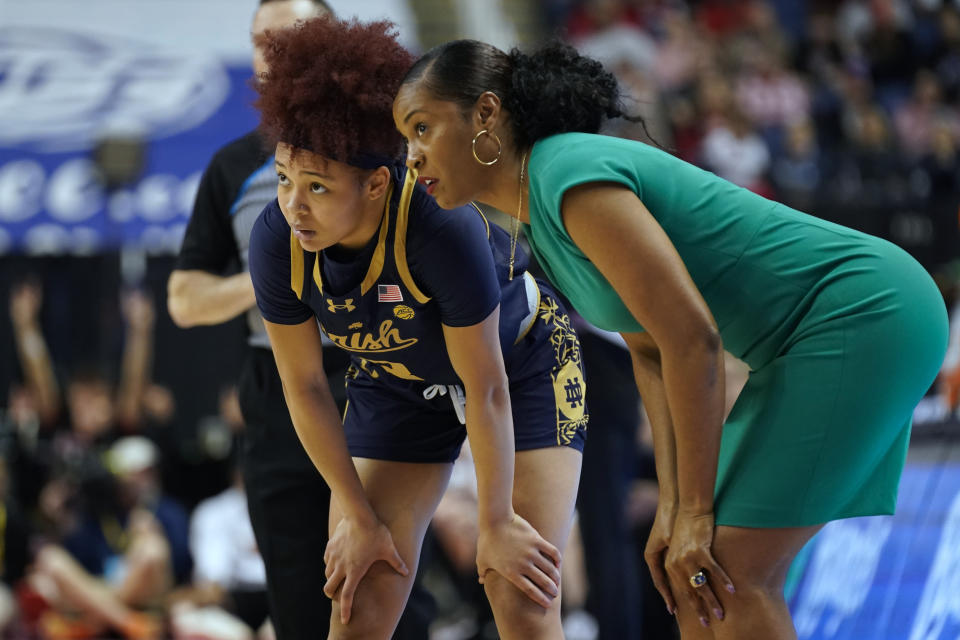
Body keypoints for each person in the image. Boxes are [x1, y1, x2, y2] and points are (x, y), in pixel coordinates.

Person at [392, 39, 949, 639]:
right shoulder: (539, 219)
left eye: (422, 128)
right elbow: (650, 353)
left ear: (485, 114)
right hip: (806, 339)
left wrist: (696, 510)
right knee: (695, 578)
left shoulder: (567, 173)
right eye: (405, 138)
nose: (412, 156)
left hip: (865, 311)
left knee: (728, 571)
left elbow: (691, 340)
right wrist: (673, 503)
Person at [248, 16, 587, 640]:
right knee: (358, 600)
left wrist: (494, 525)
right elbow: (305, 387)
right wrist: (356, 514)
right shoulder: (277, 241)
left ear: (377, 183)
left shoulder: (436, 229)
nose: (293, 204)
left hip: (522, 367)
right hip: (399, 382)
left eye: (317, 187)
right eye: (283, 177)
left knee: (521, 597)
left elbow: (485, 388)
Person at [167, 2, 433, 638]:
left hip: (380, 377)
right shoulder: (236, 169)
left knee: (388, 591)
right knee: (298, 597)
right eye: (261, 42)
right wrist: (266, 282)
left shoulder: (386, 155)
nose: (274, 54)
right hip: (279, 389)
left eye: (292, 38)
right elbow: (182, 299)